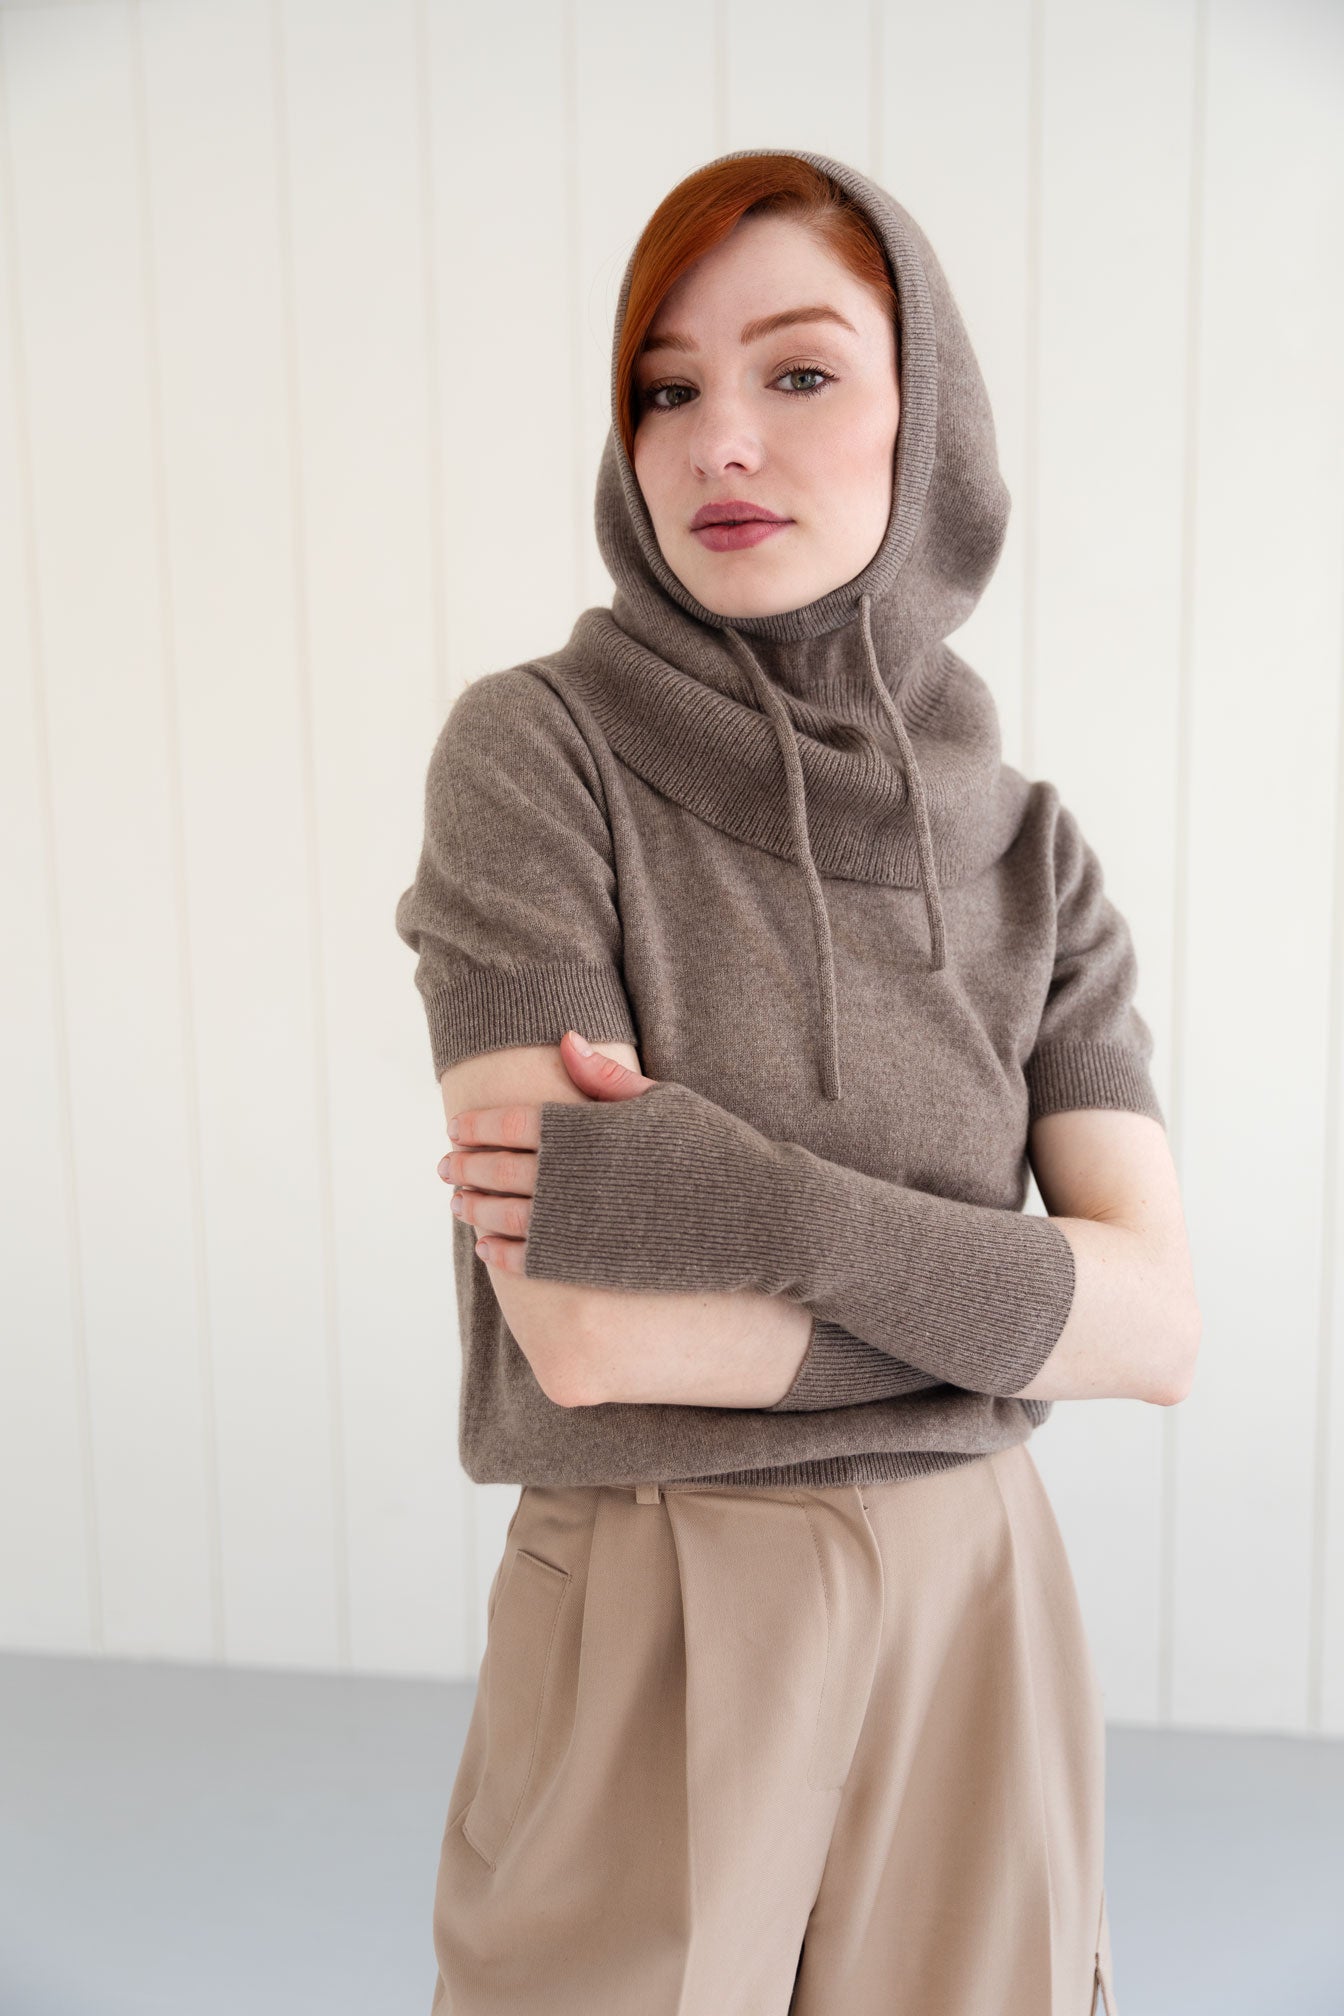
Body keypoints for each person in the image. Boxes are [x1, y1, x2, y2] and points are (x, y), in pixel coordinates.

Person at [394, 145, 1199, 2016]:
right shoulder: (537, 757)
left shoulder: (1028, 850)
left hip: (979, 1602)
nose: (717, 442)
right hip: (666, 1597)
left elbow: (1159, 1324)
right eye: (666, 389)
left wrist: (756, 1211)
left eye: (800, 372)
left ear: (933, 425)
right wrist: (1010, 1312)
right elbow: (588, 1337)